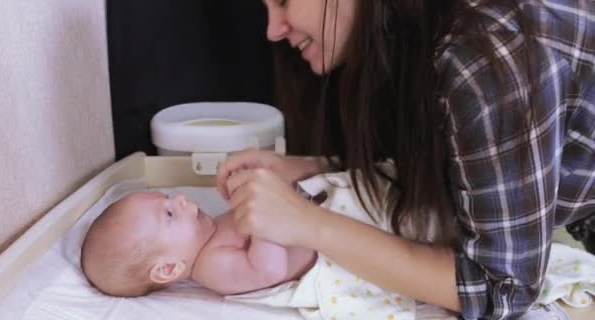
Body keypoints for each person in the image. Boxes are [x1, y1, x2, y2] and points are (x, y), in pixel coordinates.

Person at [215, 0, 595, 319]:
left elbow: (500, 290)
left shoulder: (487, 52)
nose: (272, 30)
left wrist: (309, 224)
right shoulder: (415, 38)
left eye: (283, 0)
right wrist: (316, 167)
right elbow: (460, 157)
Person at [80, 191, 316, 297]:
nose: (181, 198)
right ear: (168, 269)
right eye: (170, 214)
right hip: (330, 253)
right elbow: (270, 270)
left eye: (168, 197)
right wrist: (265, 217)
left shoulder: (210, 230)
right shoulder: (211, 266)